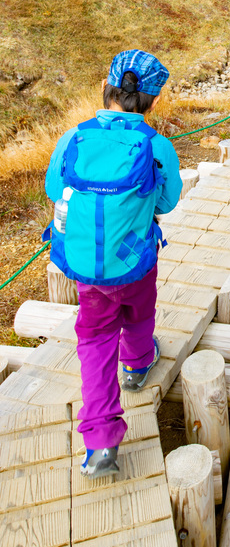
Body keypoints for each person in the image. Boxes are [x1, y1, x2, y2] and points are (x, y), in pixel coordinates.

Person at [45, 50, 182, 478]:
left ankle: (101, 443)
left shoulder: (73, 138)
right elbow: (167, 201)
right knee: (139, 314)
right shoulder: (156, 146)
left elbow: (54, 188)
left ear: (106, 88)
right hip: (134, 258)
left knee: (95, 339)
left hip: (88, 266)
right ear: (152, 100)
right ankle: (138, 365)